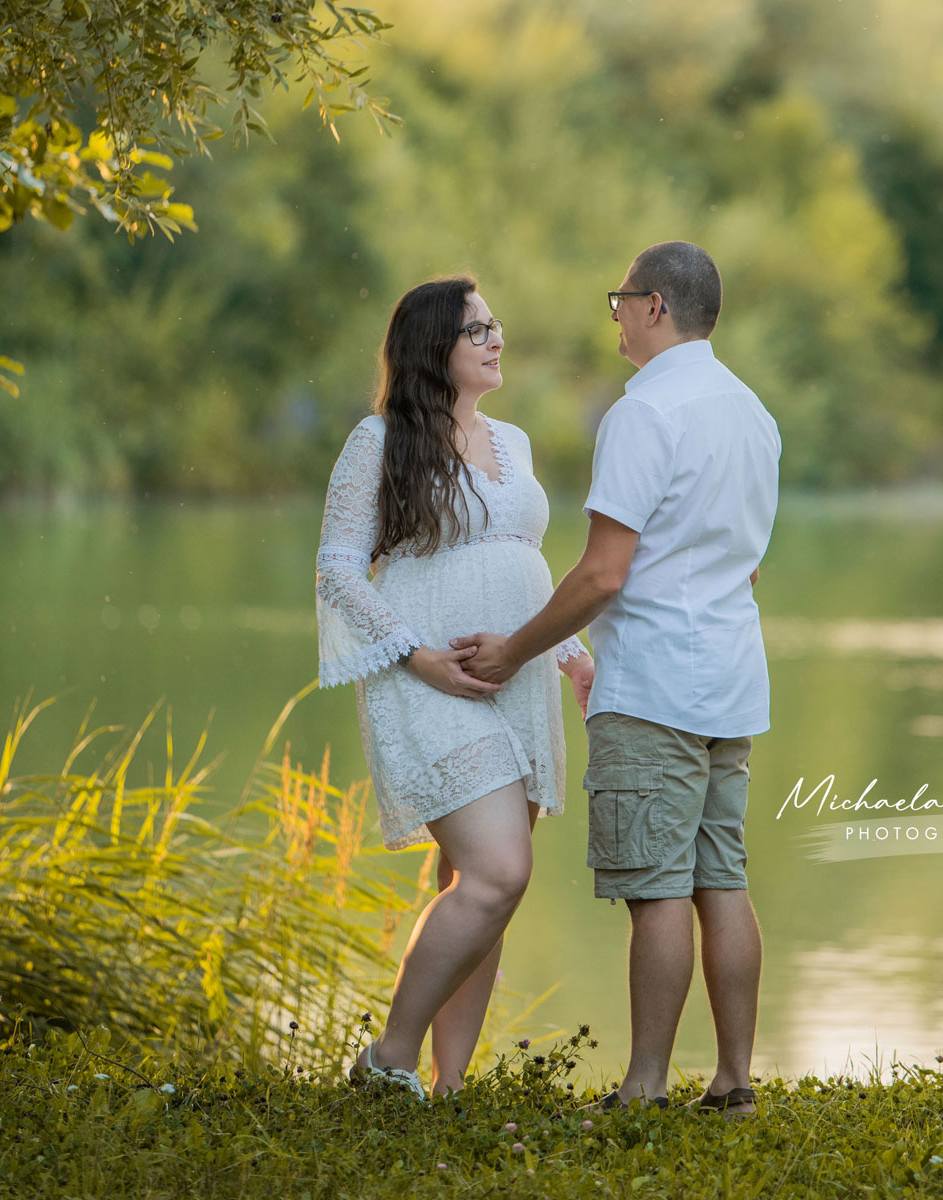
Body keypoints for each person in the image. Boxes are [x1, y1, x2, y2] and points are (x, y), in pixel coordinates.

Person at [453, 241, 781, 1118]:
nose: (617, 318)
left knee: (657, 888)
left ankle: (643, 1089)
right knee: (721, 876)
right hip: (731, 684)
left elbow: (604, 572)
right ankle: (734, 1081)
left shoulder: (644, 414)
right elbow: (745, 563)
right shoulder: (752, 413)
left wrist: (516, 650)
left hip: (656, 686)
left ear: (655, 307)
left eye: (621, 301)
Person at [314, 275, 593, 1099]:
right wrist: (417, 656)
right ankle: (386, 1061)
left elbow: (524, 562)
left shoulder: (515, 442)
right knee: (498, 872)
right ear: (433, 347)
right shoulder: (379, 440)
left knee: (475, 890)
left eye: (496, 325)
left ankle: (448, 1090)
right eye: (477, 330)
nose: (496, 339)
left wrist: (571, 652)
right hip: (430, 678)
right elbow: (337, 569)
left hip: (519, 677)